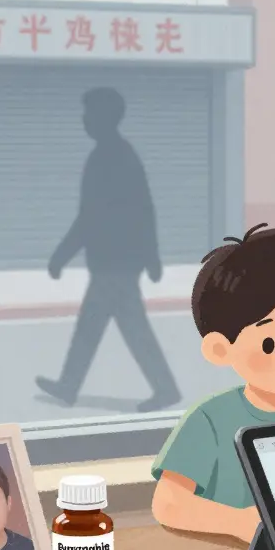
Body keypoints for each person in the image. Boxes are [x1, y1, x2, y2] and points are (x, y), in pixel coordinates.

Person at [150, 224, 275, 543]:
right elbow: (168, 503)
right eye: (269, 344)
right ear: (220, 348)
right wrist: (240, 523)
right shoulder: (209, 420)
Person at [37, 86, 180, 414]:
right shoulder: (114, 154)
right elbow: (143, 208)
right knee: (98, 325)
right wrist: (151, 256)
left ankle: (163, 388)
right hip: (117, 261)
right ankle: (70, 386)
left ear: (103, 117)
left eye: (88, 113)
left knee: (123, 329)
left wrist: (61, 255)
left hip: (115, 263)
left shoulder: (110, 157)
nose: (83, 119)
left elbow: (96, 216)